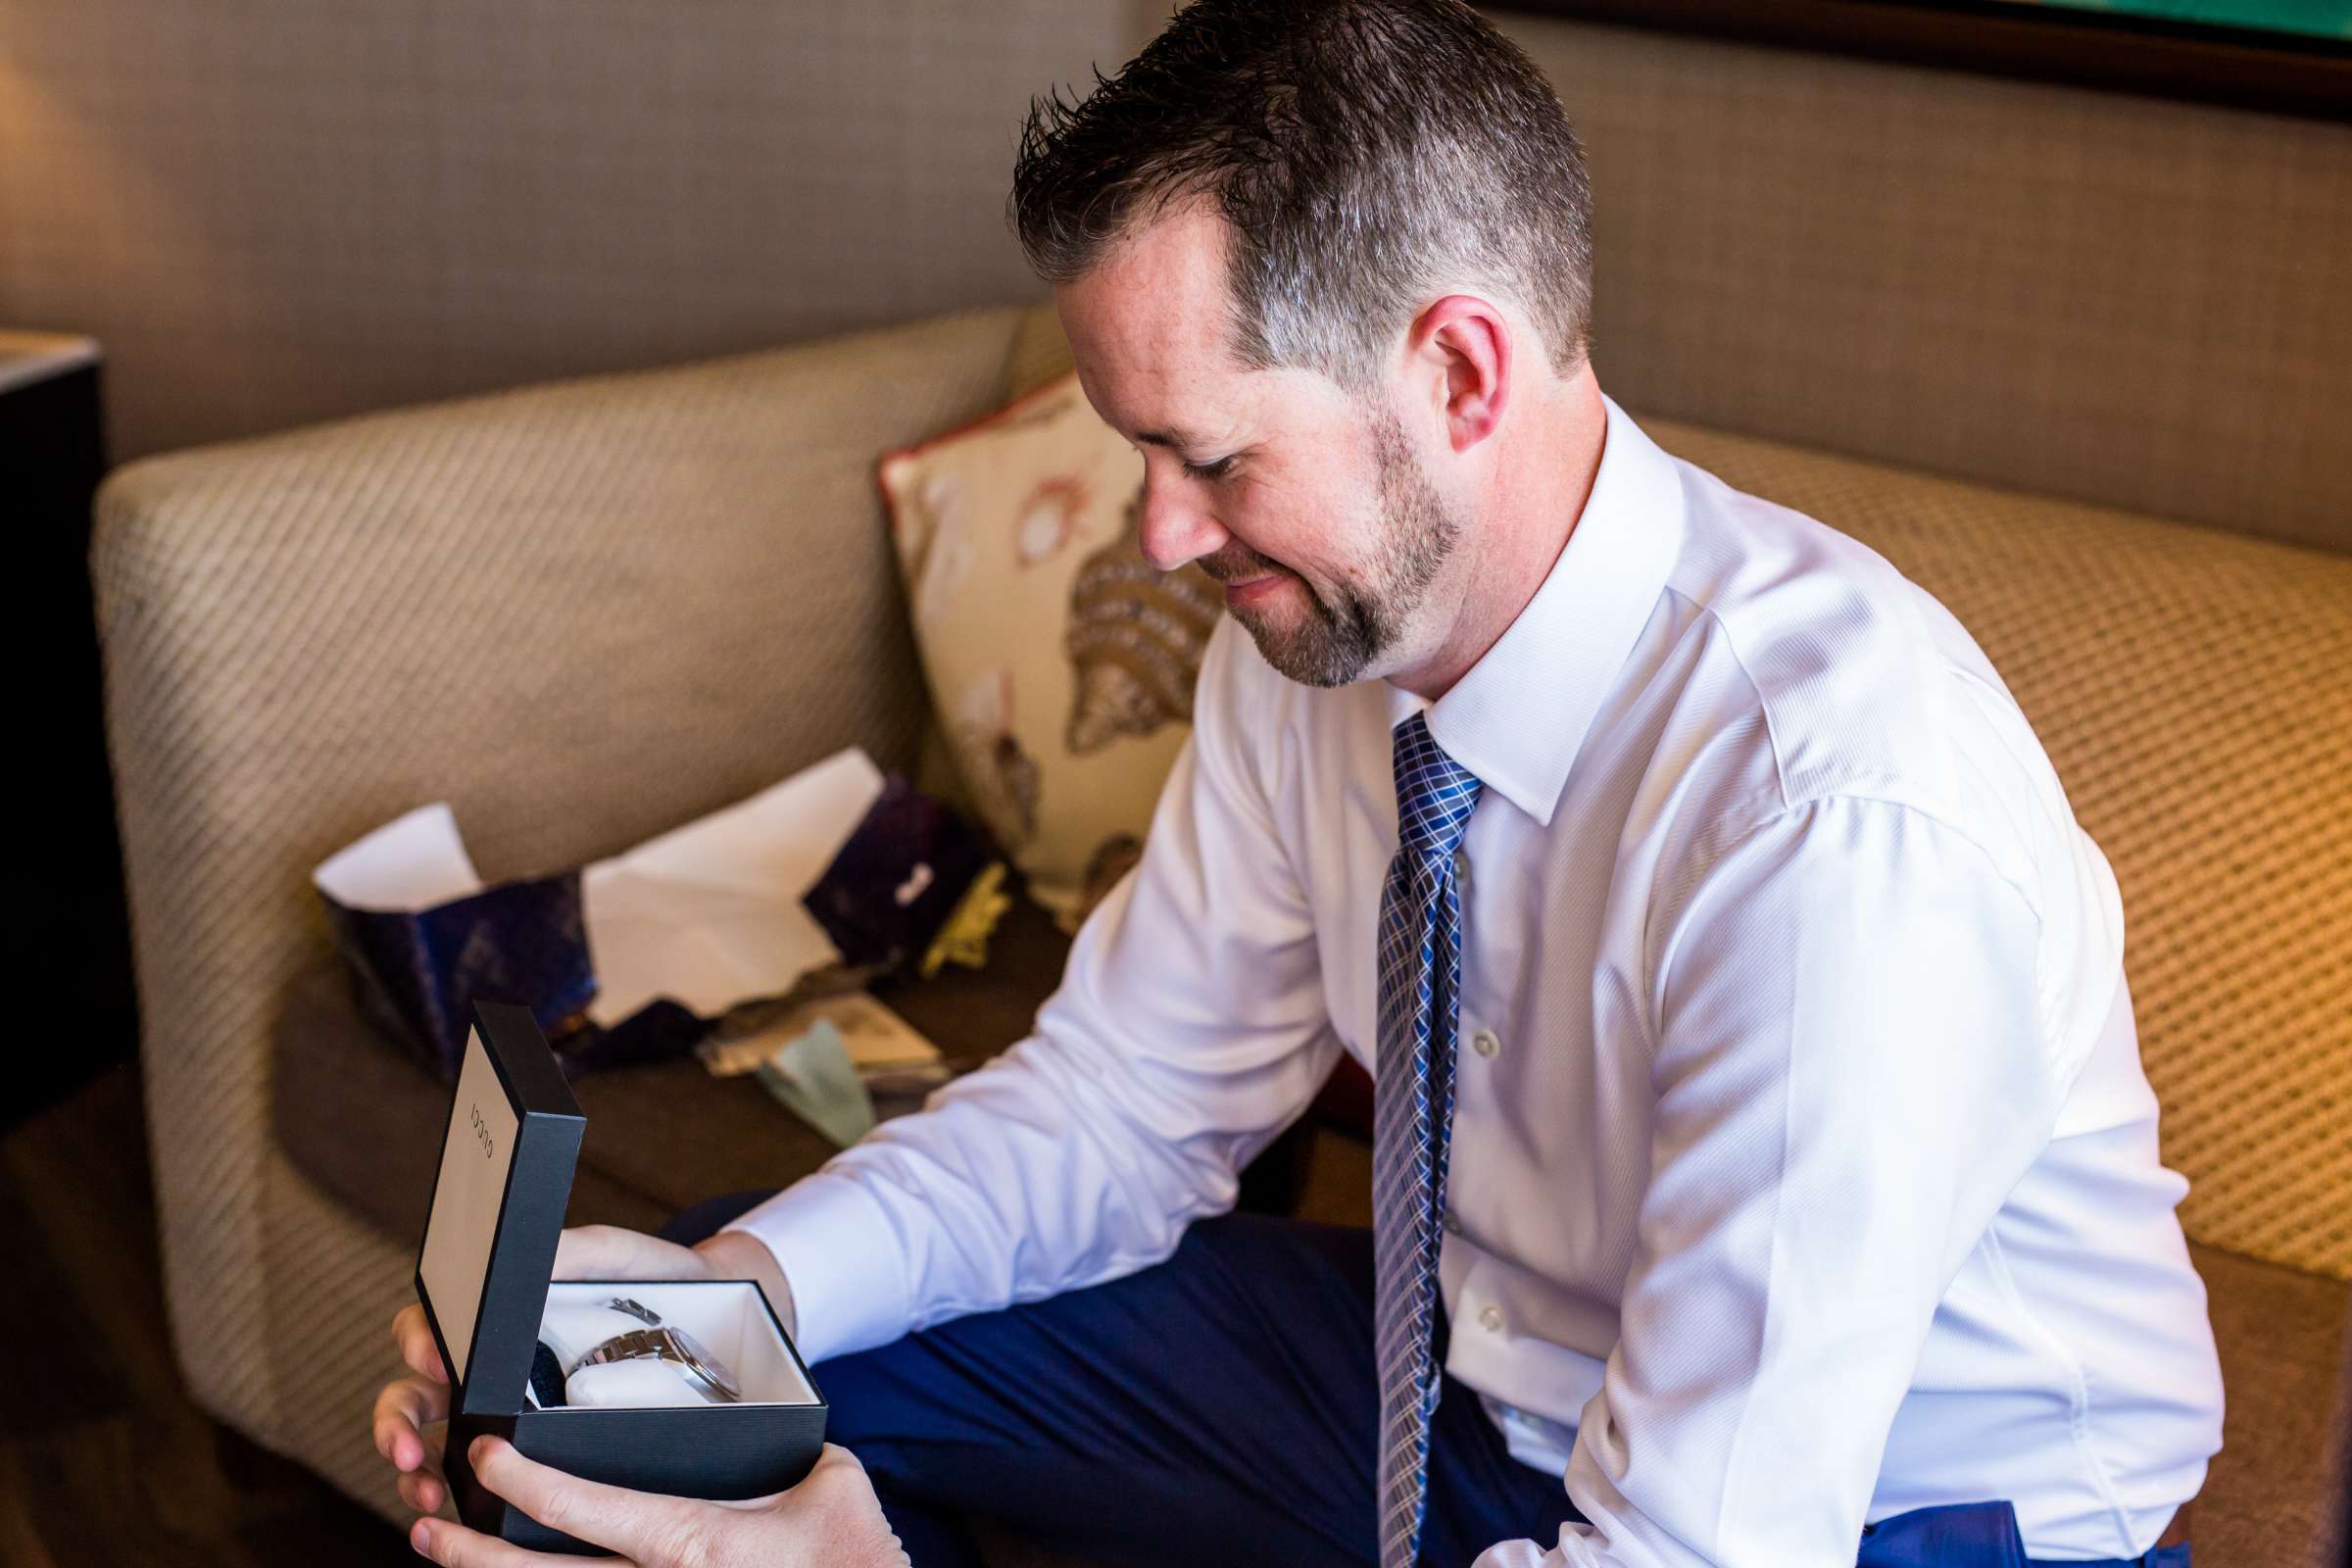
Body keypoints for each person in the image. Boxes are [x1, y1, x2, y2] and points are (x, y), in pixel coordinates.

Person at [372, 2, 2225, 1563]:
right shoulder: (1322, 636)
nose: (1165, 537)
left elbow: (1691, 1544)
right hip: (1472, 1376)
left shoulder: (1829, 826)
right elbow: (1118, 1105)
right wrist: (726, 1296)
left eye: (1213, 460)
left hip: (1906, 1508)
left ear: (1460, 374)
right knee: (637, 1426)